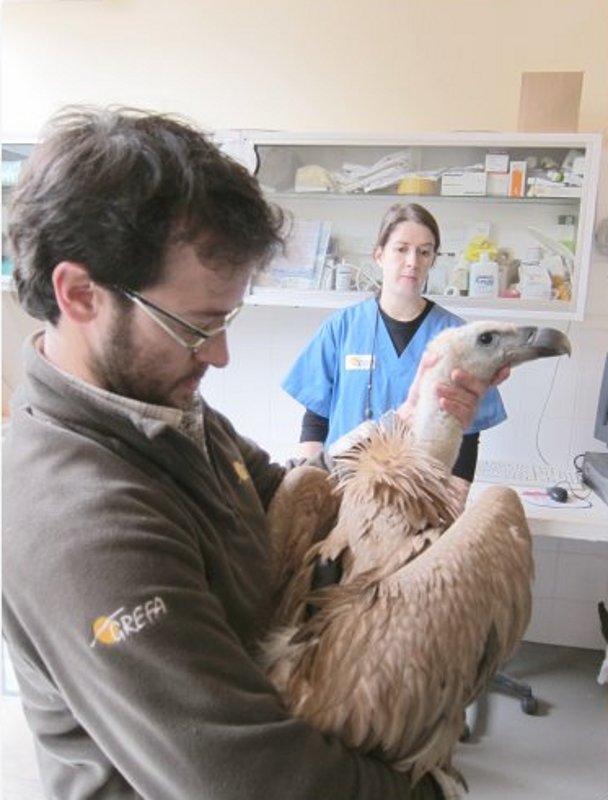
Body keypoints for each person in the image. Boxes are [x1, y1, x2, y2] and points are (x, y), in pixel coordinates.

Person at [2, 107, 501, 800]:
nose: (221, 354)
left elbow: (295, 499)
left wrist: (417, 421)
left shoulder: (164, 414)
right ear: (81, 294)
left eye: (227, 319)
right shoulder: (78, 523)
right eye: (197, 326)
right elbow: (244, 777)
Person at [282, 202, 506, 497]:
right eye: (401, 249)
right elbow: (316, 420)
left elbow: (468, 433)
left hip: (420, 500)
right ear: (379, 255)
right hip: (341, 492)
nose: (413, 261)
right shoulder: (342, 328)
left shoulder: (458, 339)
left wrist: (452, 503)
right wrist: (309, 488)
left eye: (424, 252)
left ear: (433, 260)